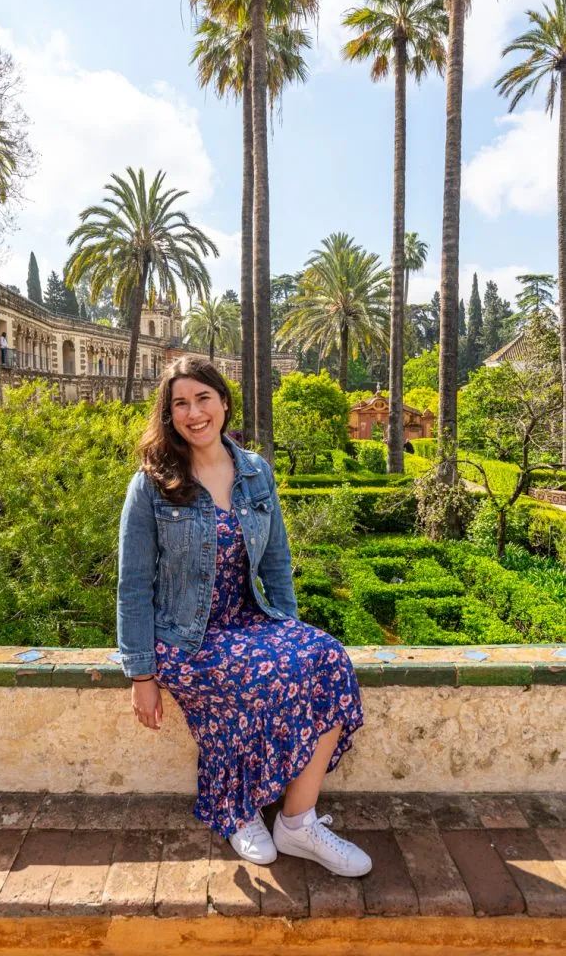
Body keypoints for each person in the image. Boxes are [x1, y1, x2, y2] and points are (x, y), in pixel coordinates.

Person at [117, 357, 370, 876]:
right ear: (168, 415)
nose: (193, 413)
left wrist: (291, 630)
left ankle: (297, 822)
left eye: (202, 399)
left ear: (224, 403)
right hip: (184, 637)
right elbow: (133, 584)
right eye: (180, 404)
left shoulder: (255, 471)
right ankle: (237, 810)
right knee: (256, 679)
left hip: (249, 620)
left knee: (327, 659)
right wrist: (141, 674)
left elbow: (276, 562)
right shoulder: (152, 484)